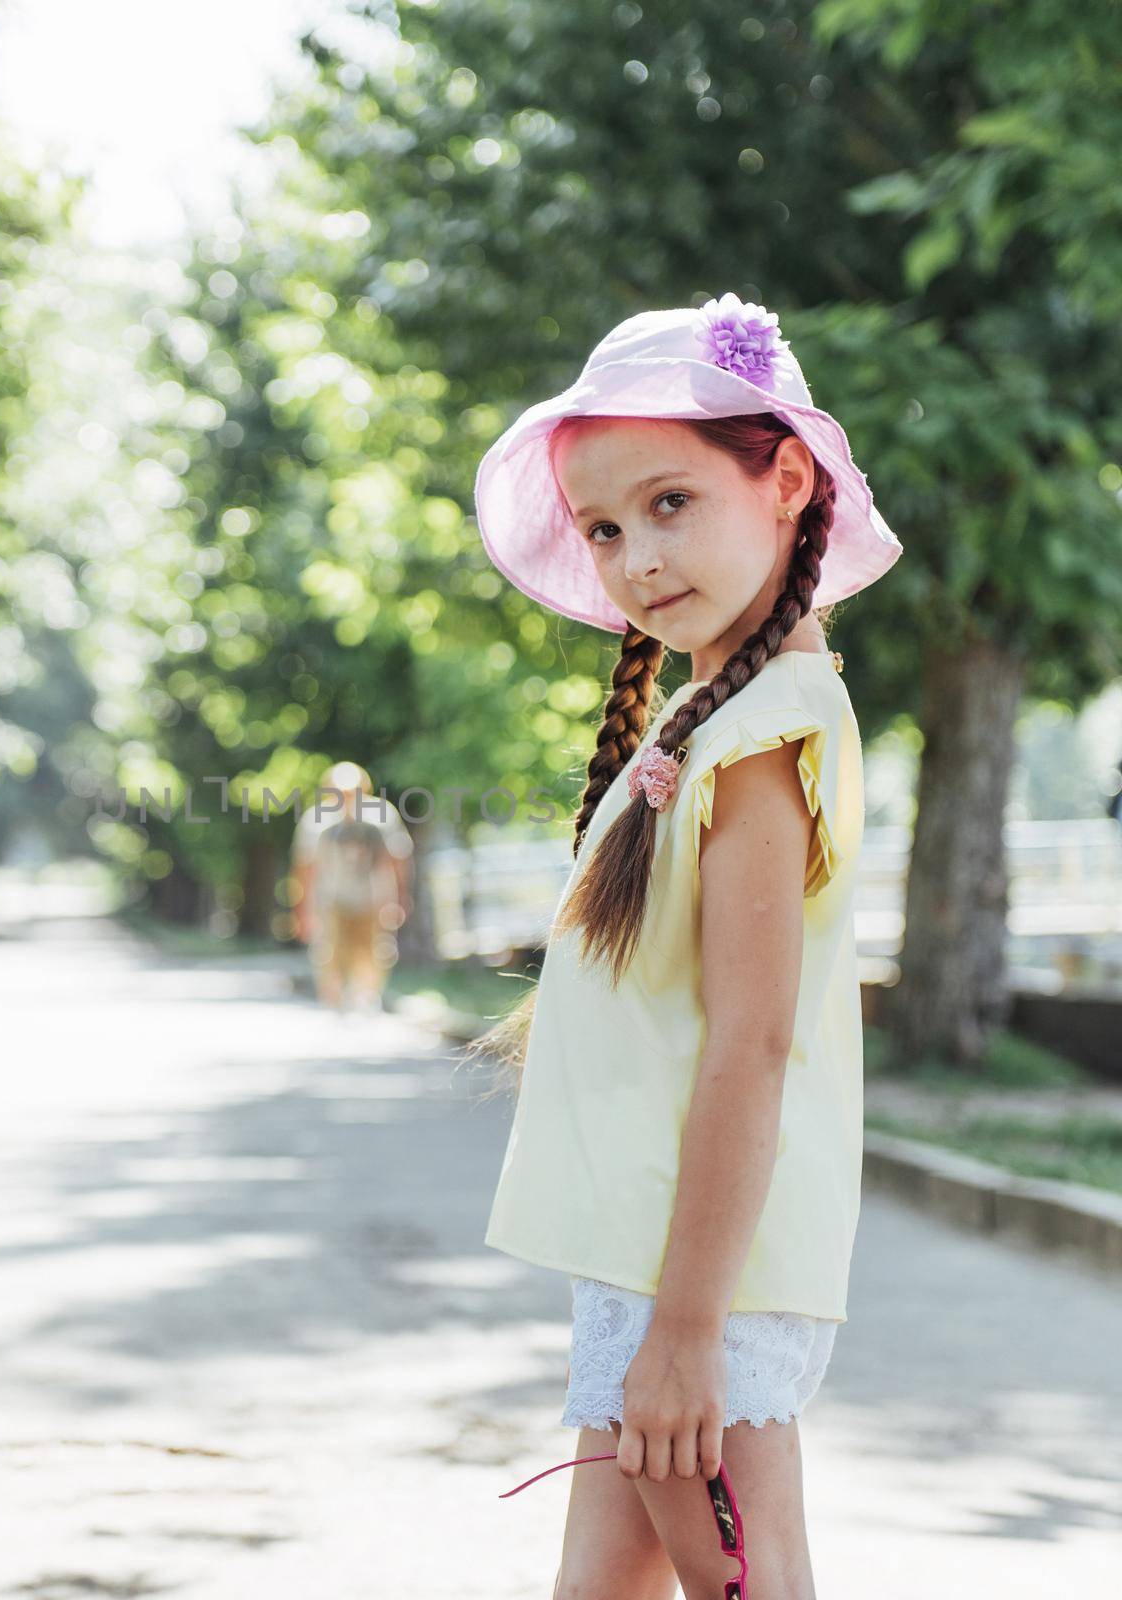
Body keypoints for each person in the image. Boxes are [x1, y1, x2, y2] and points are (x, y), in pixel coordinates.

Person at [469, 294, 902, 1599]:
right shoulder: (714, 719)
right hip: (650, 1250)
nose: (637, 557)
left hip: (708, 1269)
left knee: (746, 1578)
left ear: (782, 481)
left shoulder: (768, 734)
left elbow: (753, 1047)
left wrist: (689, 1330)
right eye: (604, 529)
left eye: (669, 503)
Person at [290, 762, 413, 1013]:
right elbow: (304, 869)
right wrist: (301, 911)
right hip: (331, 901)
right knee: (329, 955)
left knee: (374, 955)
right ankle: (335, 1006)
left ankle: (365, 1001)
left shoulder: (382, 816)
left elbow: (398, 859)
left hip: (373, 900)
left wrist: (401, 897)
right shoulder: (316, 821)